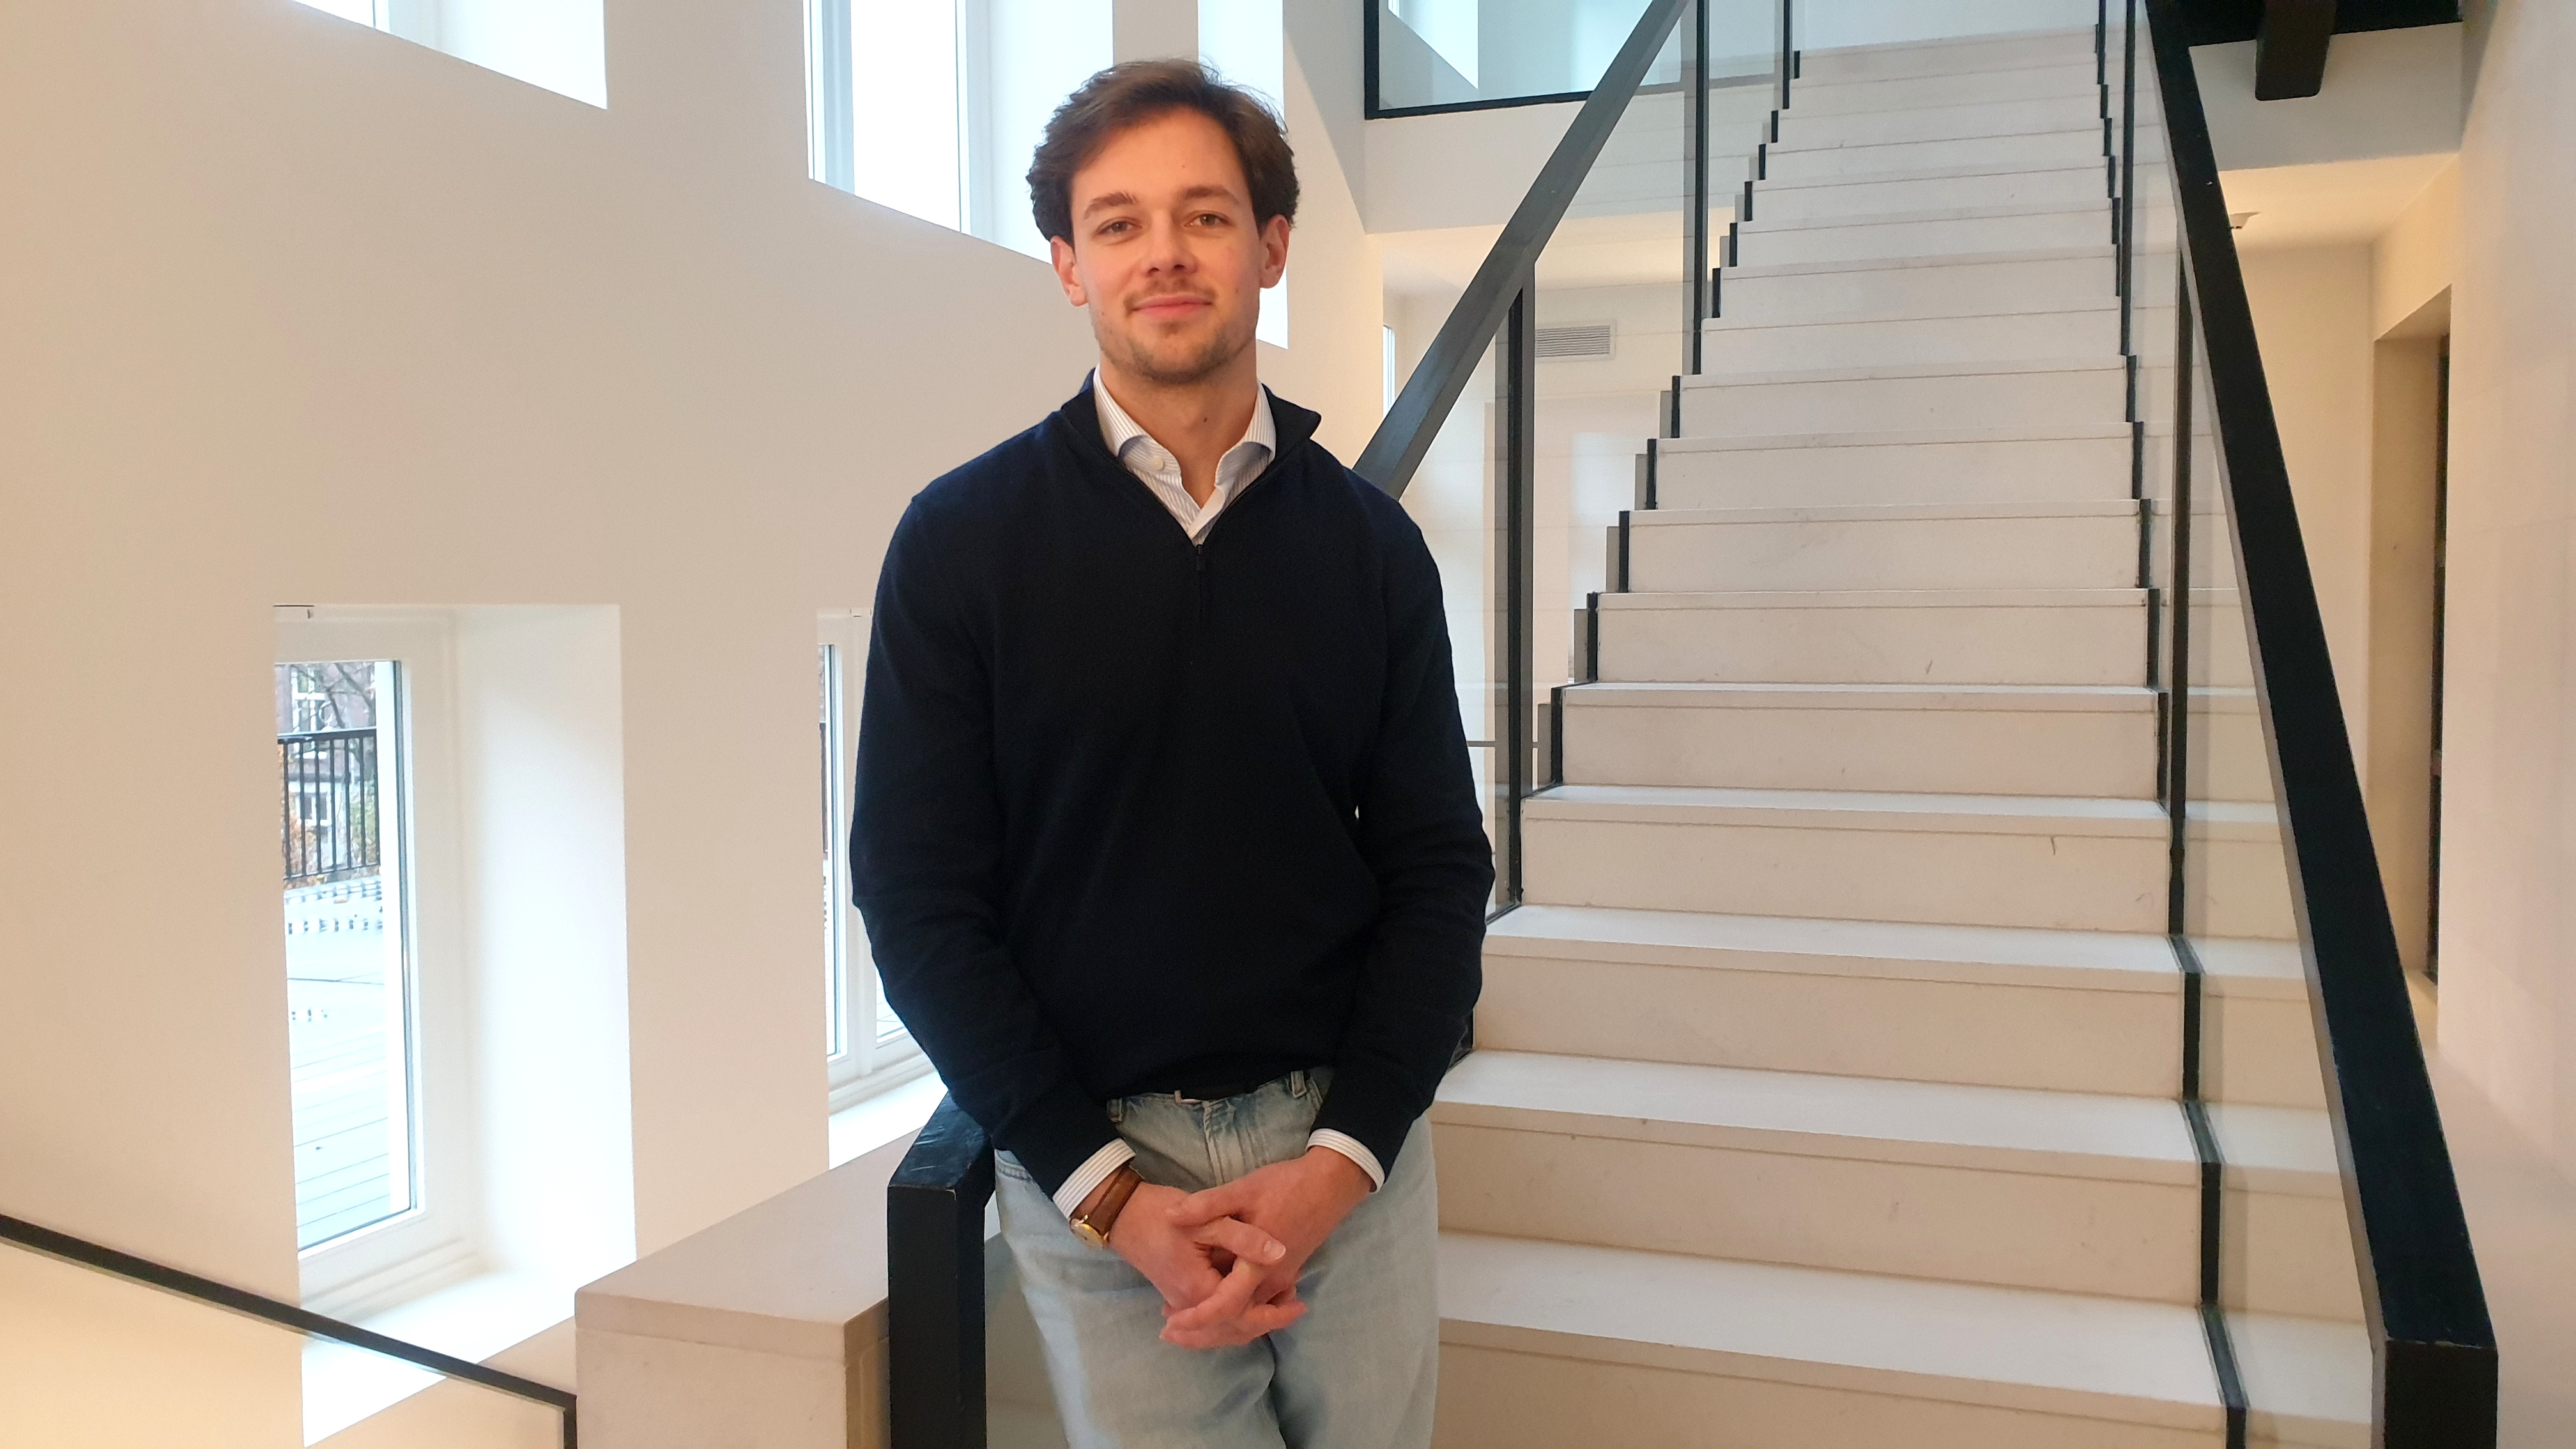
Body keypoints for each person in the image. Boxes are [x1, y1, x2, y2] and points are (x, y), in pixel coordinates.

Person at [850, 57, 1492, 1449]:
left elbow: (1441, 870)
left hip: (1346, 1149)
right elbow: (917, 901)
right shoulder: (960, 545)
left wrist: (1345, 1158)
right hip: (1099, 1170)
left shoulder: (1372, 550)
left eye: (1205, 216)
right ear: (1068, 265)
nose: (1165, 254)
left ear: (1271, 246)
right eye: (1120, 222)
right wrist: (1109, 1193)